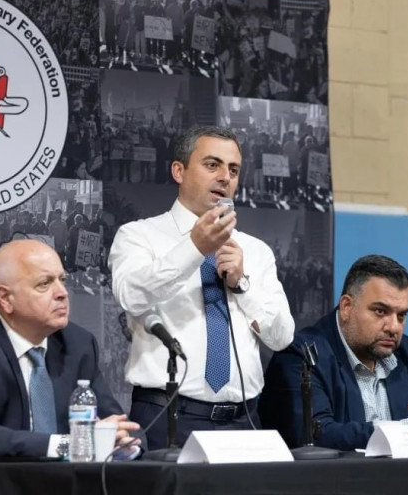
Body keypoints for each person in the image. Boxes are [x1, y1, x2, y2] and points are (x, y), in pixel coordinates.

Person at [109, 125, 294, 449]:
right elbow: (131, 296)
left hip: (244, 421)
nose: (225, 177)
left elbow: (281, 338)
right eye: (212, 165)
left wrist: (242, 285)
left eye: (233, 170)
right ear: (178, 171)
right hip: (167, 416)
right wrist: (195, 248)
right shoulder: (138, 235)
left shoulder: (256, 251)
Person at [0, 240, 141, 495]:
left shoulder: (78, 344)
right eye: (44, 284)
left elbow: (120, 424)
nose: (62, 293)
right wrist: (72, 444)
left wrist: (120, 440)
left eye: (62, 280)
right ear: (5, 298)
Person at [259, 255, 408, 451]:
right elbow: (316, 435)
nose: (394, 327)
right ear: (346, 307)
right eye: (380, 311)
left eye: (401, 316)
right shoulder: (302, 354)